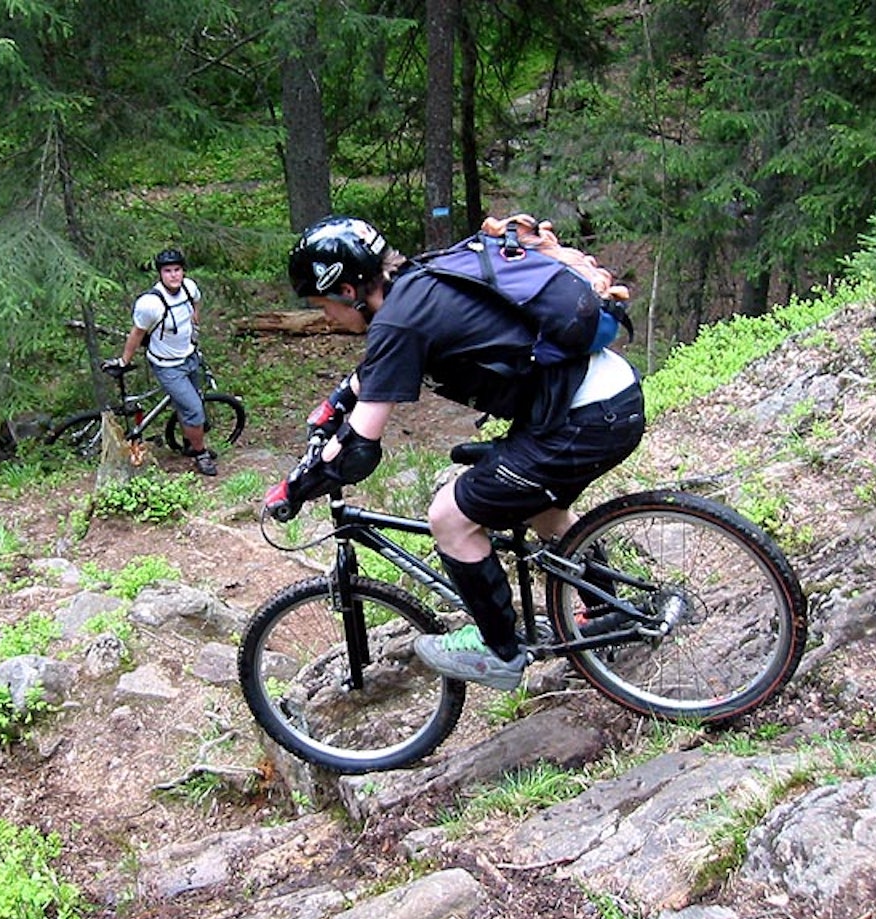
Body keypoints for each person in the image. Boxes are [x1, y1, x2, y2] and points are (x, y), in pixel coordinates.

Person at [264, 215, 645, 692]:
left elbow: (359, 450)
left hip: (585, 418)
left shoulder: (399, 320)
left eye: (323, 305)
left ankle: (499, 650)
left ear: (346, 289)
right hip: (604, 398)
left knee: (450, 515)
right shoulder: (417, 285)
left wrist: (296, 487)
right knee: (542, 511)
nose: (325, 318)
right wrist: (337, 402)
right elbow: (375, 370)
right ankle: (610, 616)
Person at [117, 248, 217, 476]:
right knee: (194, 409)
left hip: (189, 356)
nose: (173, 275)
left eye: (177, 270)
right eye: (168, 271)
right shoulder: (150, 303)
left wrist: (195, 323)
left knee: (190, 403)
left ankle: (188, 441)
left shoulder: (189, 288)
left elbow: (196, 304)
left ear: (183, 271)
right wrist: (124, 361)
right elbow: (137, 334)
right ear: (160, 274)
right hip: (167, 365)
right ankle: (200, 453)